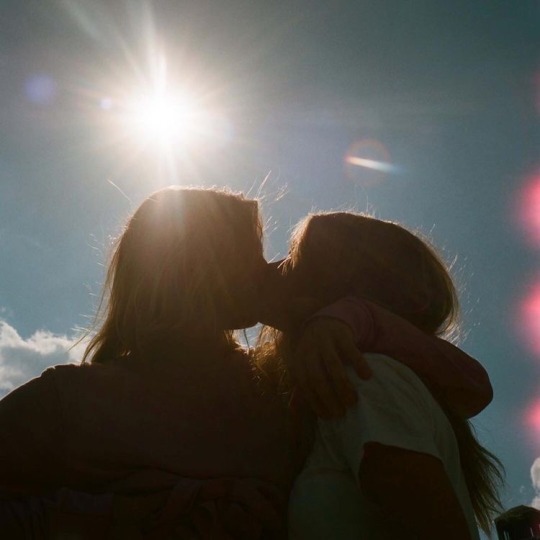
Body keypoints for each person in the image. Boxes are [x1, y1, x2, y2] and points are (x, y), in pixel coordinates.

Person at [0, 187, 494, 538]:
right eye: (250, 253)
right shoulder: (71, 401)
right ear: (195, 269)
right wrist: (121, 516)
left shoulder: (289, 388)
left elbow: (465, 382)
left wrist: (349, 316)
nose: (270, 268)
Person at [256, 211, 504, 540]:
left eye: (294, 256)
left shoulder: (365, 380)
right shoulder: (330, 387)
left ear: (336, 283)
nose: (274, 265)